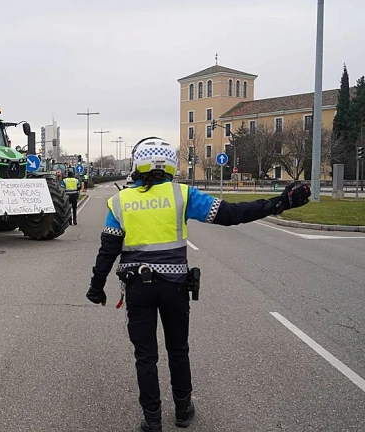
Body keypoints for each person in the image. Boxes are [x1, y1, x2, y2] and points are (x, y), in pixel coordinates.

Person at [86, 137, 311, 431]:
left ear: (137, 164)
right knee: (178, 349)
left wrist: (96, 286)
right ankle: (183, 410)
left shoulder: (120, 201)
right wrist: (278, 203)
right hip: (175, 286)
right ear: (169, 164)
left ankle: (152, 420)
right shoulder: (182, 194)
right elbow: (231, 214)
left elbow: (108, 250)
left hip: (138, 287)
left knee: (145, 356)